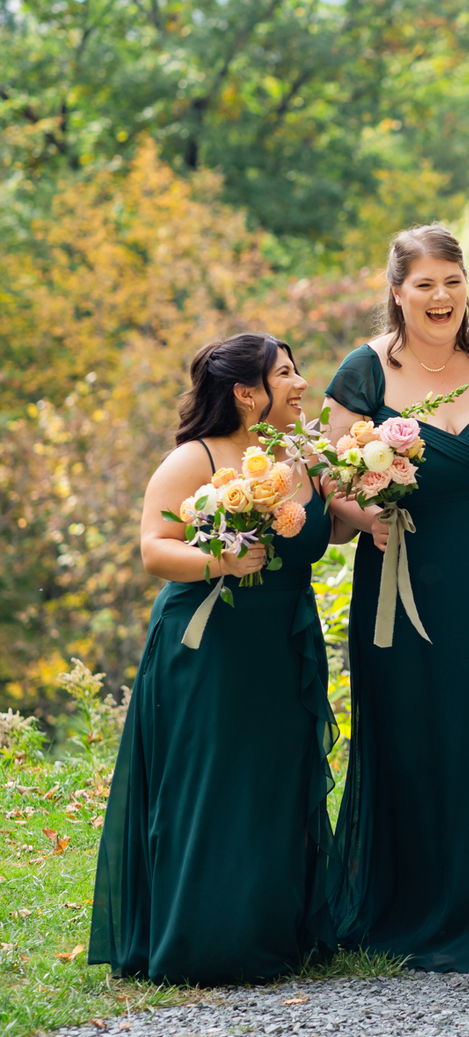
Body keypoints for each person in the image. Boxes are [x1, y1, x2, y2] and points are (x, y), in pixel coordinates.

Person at [324, 224, 469, 971]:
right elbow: (331, 487)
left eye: (451, 281)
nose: (441, 297)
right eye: (423, 284)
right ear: (396, 291)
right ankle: (415, 902)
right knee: (416, 733)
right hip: (408, 580)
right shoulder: (362, 373)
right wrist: (367, 513)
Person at [89, 334, 341, 985]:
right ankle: (206, 938)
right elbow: (153, 547)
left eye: (297, 370)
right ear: (245, 391)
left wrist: (365, 512)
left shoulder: (297, 454)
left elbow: (318, 527)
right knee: (215, 783)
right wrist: (218, 561)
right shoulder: (195, 458)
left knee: (276, 781)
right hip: (211, 643)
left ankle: (273, 932)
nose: (300, 383)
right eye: (285, 373)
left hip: (283, 637)